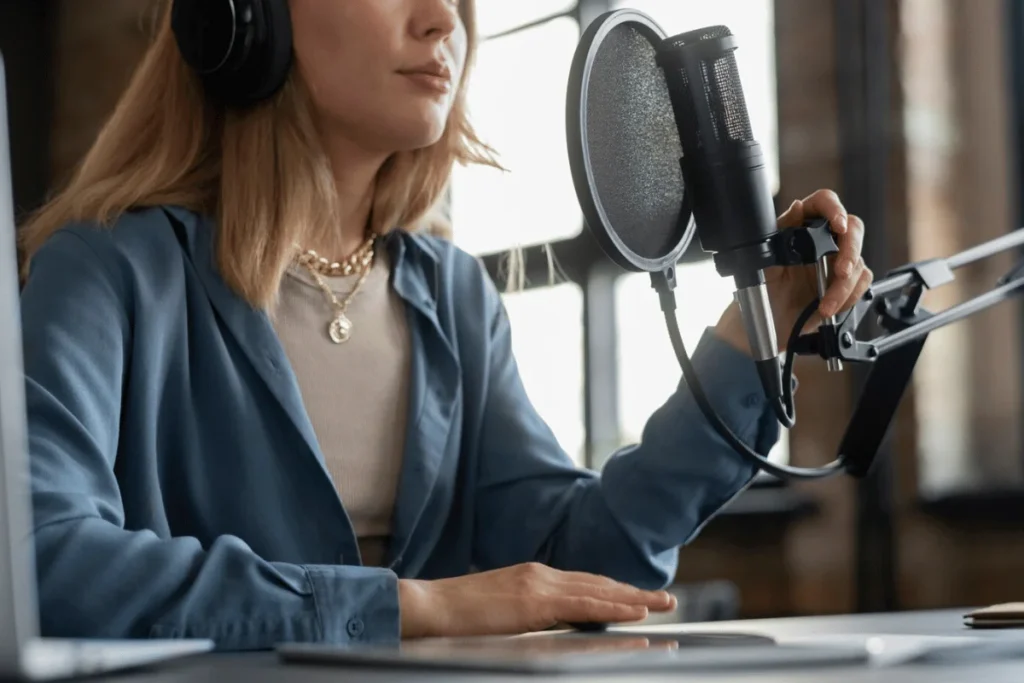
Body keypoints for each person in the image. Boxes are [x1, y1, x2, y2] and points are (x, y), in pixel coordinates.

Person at [17, 0, 871, 652]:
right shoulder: (105, 269)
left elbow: (583, 561)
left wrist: (746, 336)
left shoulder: (452, 296)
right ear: (241, 19)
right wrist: (413, 606)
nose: (442, 22)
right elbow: (40, 561)